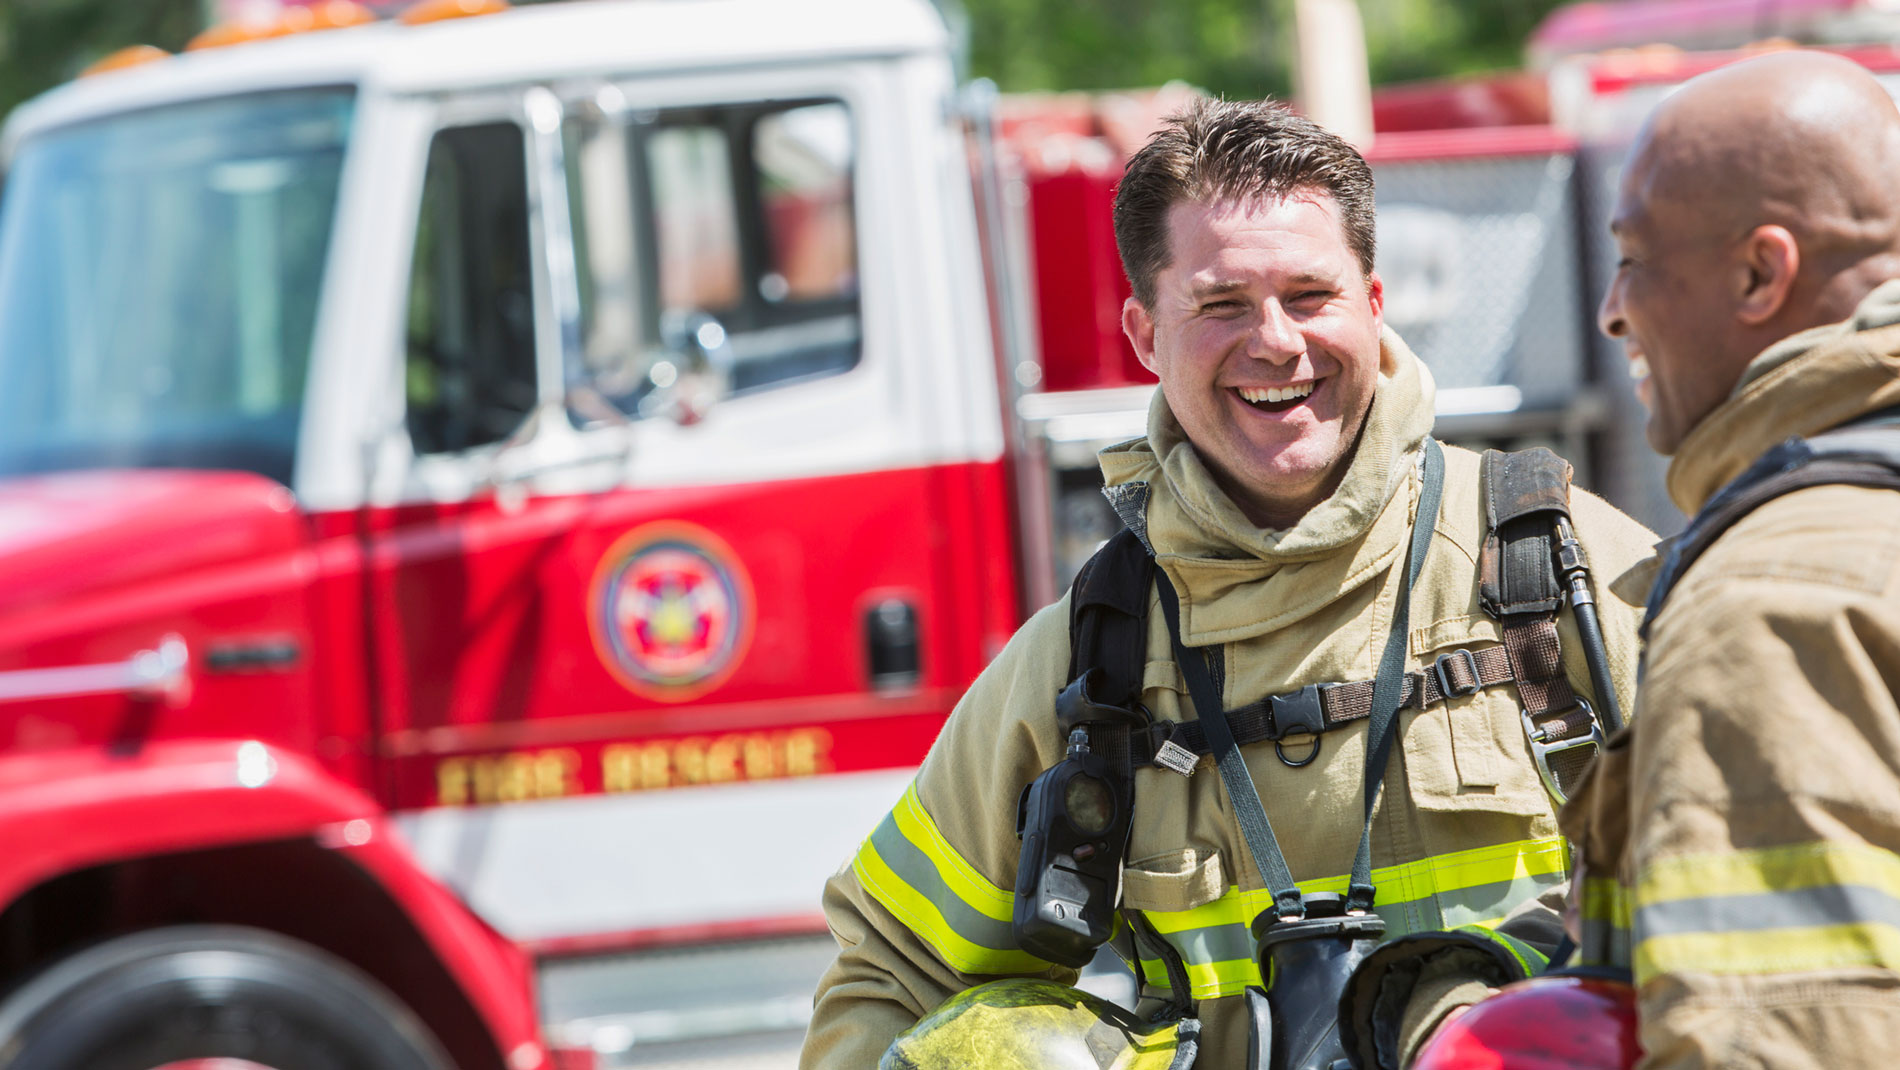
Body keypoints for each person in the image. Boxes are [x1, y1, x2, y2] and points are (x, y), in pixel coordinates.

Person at [801, 98, 1657, 1069]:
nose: (1276, 342)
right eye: (1221, 304)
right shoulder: (1090, 655)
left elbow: (1769, 890)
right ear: (1142, 332)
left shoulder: (1556, 571)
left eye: (1309, 295)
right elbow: (890, 968)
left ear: (1371, 304)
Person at [1561, 49, 1900, 1067]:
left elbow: (1792, 1035)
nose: (1610, 309)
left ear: (1760, 271)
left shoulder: (1768, 601)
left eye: (1632, 257)